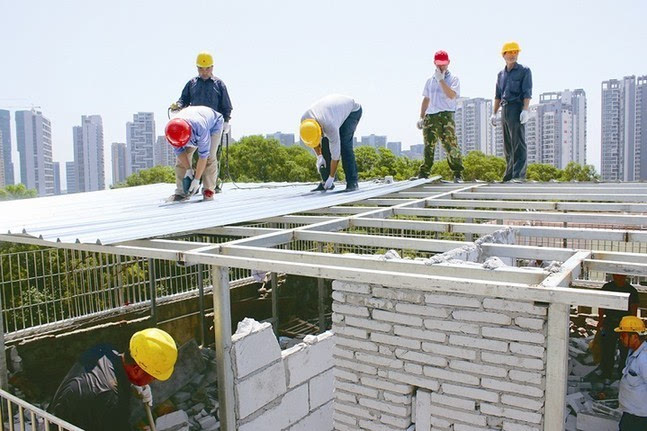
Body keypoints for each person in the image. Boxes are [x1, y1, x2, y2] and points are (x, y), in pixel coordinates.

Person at [48, 328, 178, 431]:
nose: (152, 381)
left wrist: (133, 385)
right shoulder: (113, 400)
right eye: (153, 377)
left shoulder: (104, 350)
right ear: (137, 370)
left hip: (52, 422)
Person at [170, 51, 233, 192]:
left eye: (207, 68)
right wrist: (178, 106)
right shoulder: (192, 83)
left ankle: (209, 188)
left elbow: (226, 105)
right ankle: (182, 189)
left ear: (212, 67)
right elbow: (183, 100)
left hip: (212, 127)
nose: (204, 72)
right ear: (197, 68)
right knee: (184, 157)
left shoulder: (219, 84)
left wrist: (226, 121)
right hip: (194, 127)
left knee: (210, 157)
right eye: (201, 69)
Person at [416, 50, 463, 182]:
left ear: (448, 63)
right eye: (438, 64)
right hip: (431, 116)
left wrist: (441, 81)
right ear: (434, 63)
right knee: (428, 145)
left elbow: (452, 95)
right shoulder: (429, 81)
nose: (441, 66)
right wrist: (421, 116)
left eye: (443, 63)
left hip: (446, 115)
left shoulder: (453, 79)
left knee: (450, 144)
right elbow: (426, 99)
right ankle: (424, 173)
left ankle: (457, 173)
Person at [300, 94, 362, 192]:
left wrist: (331, 177)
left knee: (344, 145)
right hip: (333, 112)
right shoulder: (305, 121)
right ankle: (326, 183)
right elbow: (313, 140)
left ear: (319, 129)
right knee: (325, 145)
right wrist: (319, 156)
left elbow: (335, 157)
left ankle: (352, 182)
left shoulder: (330, 126)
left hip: (352, 111)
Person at [490, 41, 532, 182]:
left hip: (516, 107)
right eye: (510, 52)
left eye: (515, 52)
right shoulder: (501, 74)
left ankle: (518, 175)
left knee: (518, 143)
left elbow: (527, 92)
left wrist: (525, 110)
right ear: (504, 55)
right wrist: (494, 113)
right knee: (508, 145)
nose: (513, 55)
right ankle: (509, 175)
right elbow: (497, 95)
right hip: (505, 108)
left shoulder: (524, 71)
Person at [165, 106, 224, 202]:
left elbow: (203, 156)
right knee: (181, 160)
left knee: (210, 156)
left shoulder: (200, 128)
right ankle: (181, 192)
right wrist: (188, 170)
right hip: (191, 123)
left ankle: (208, 191)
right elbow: (180, 152)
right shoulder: (171, 131)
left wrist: (196, 179)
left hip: (214, 125)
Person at [598, 274, 639, 381]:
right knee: (607, 348)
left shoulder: (632, 290)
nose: (618, 278)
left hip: (625, 324)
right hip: (610, 322)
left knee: (625, 349)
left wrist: (631, 328)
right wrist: (600, 320)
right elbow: (601, 305)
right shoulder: (607, 287)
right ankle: (606, 373)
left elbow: (634, 309)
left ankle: (623, 372)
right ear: (613, 276)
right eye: (616, 276)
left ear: (625, 276)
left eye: (621, 277)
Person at [615, 316, 647, 430]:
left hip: (640, 419)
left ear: (634, 336)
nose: (621, 338)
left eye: (623, 335)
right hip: (630, 414)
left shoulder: (644, 358)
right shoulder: (632, 352)